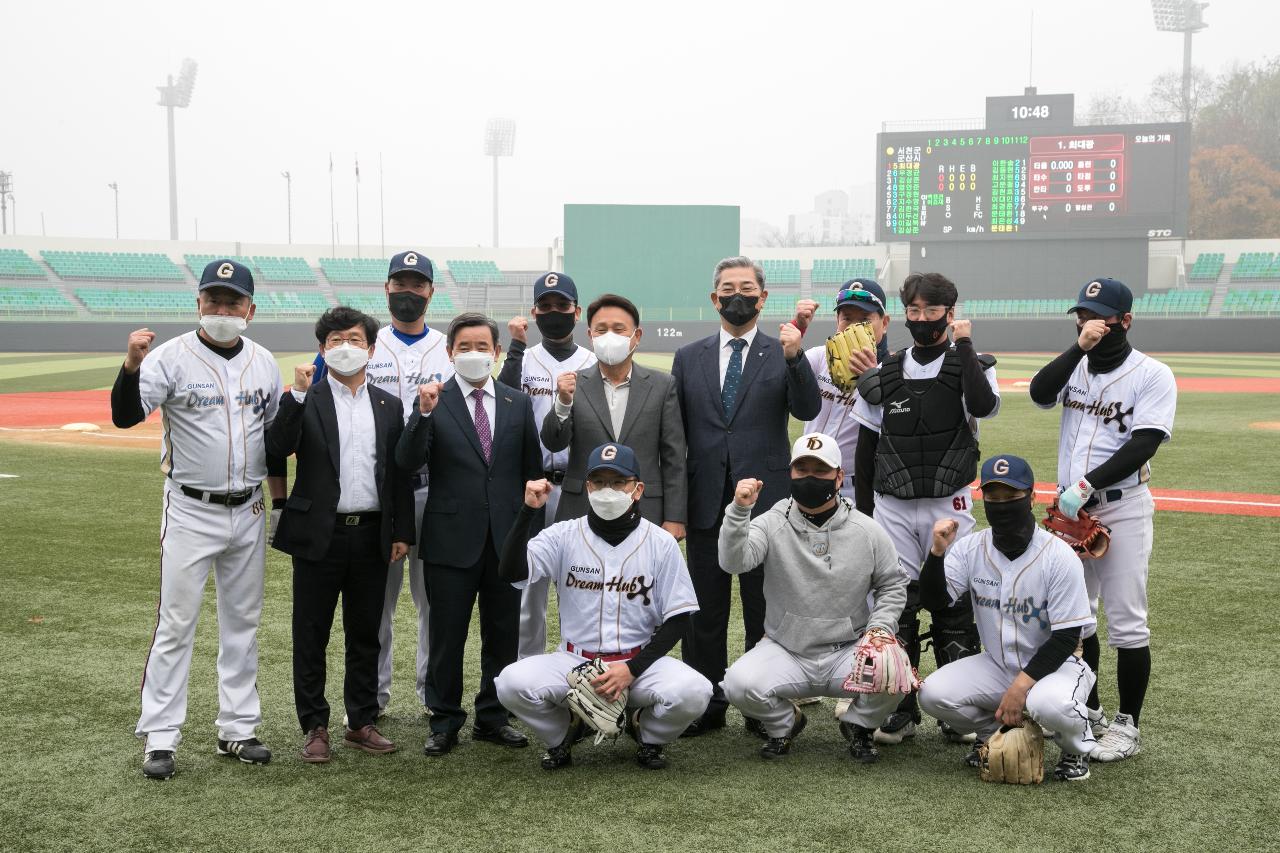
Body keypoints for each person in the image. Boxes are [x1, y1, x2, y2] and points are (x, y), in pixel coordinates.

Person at [109, 259, 285, 780]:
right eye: (214, 300)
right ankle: (161, 737)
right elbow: (124, 415)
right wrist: (131, 364)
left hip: (249, 508)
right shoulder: (168, 358)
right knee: (176, 623)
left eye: (234, 302)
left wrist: (279, 503)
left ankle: (238, 728)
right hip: (189, 508)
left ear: (250, 309)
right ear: (199, 304)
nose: (223, 310)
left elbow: (275, 440)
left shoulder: (264, 362)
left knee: (243, 623)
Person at [670, 255, 821, 737]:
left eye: (746, 288)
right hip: (706, 497)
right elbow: (677, 435)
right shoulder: (688, 357)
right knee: (703, 608)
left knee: (764, 606)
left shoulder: (783, 351)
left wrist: (796, 358)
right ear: (714, 298)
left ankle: (763, 702)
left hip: (768, 501)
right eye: (727, 288)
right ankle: (706, 702)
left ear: (762, 297)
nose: (738, 296)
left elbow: (808, 407)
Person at [1028, 277, 1176, 763]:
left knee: (1128, 621)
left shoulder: (1152, 374)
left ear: (1125, 321)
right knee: (1076, 616)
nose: (1090, 324)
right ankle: (1088, 710)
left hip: (1121, 506)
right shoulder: (1076, 364)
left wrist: (1086, 486)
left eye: (1101, 317)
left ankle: (1127, 725)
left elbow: (1145, 442)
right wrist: (1078, 348)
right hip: (1072, 514)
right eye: (1083, 315)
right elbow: (1039, 392)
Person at [494, 443, 711, 770]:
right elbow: (511, 571)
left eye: (617, 482)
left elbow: (679, 618)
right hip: (573, 661)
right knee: (510, 684)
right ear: (587, 487)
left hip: (639, 664)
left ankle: (646, 734)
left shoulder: (659, 542)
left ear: (637, 489)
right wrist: (528, 511)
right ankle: (565, 733)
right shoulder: (563, 535)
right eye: (599, 481)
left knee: (696, 690)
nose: (607, 490)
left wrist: (632, 669)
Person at [851, 271, 1000, 747]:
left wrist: (965, 347)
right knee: (899, 605)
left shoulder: (973, 363)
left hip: (948, 499)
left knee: (954, 603)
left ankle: (958, 708)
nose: (921, 320)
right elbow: (865, 447)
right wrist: (864, 510)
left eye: (931, 311)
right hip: (892, 503)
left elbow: (981, 403)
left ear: (950, 313)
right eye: (912, 311)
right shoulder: (885, 373)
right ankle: (900, 707)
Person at [268, 307, 416, 763]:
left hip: (372, 533)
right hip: (319, 534)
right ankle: (314, 725)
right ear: (321, 348)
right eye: (335, 340)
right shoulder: (304, 398)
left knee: (365, 632)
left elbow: (398, 474)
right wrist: (294, 392)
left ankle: (361, 720)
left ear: (371, 349)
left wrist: (402, 531)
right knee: (311, 633)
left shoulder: (390, 405)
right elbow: (274, 449)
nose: (345, 347)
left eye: (354, 339)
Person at [395, 313, 544, 756]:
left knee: (502, 634)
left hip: (504, 541)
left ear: (497, 353)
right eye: (465, 346)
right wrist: (421, 414)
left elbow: (531, 473)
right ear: (450, 353)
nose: (474, 354)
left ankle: (493, 717)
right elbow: (406, 461)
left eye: (483, 346)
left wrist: (526, 537)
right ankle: (444, 720)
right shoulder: (434, 401)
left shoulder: (517, 403)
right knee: (447, 635)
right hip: (449, 539)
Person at [313, 250, 452, 719]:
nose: (408, 292)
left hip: (436, 491)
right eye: (400, 284)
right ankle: (374, 699)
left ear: (431, 292)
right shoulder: (364, 345)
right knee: (378, 606)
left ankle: (432, 694)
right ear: (386, 288)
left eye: (418, 285)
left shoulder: (447, 349)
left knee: (433, 604)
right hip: (380, 497)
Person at [719, 432, 907, 762]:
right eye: (801, 469)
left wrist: (880, 629)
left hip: (848, 649)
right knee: (737, 683)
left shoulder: (867, 529)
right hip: (786, 648)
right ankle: (784, 724)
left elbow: (892, 584)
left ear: (838, 476)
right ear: (790, 473)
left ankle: (859, 726)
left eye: (820, 471)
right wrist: (738, 511)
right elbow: (733, 562)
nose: (810, 478)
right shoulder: (772, 521)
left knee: (892, 670)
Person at [918, 454, 1099, 782]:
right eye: (993, 497)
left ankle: (1076, 748)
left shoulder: (1058, 557)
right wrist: (937, 553)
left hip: (1058, 667)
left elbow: (1066, 638)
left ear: (1032, 498)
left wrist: (1020, 687)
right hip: (997, 665)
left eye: (1012, 497)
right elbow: (937, 602)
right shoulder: (971, 548)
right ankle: (994, 733)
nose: (1001, 505)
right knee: (933, 693)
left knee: (1050, 705)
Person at [496, 272, 597, 659]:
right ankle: (530, 679)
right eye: (546, 306)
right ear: (534, 312)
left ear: (577, 312)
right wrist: (516, 347)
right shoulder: (524, 359)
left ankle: (583, 673)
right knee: (529, 591)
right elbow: (502, 398)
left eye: (562, 306)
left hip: (578, 484)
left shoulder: (593, 361)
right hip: (533, 485)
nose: (554, 313)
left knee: (582, 583)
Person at [540, 293, 687, 530]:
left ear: (636, 336)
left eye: (619, 329)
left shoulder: (662, 385)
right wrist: (563, 403)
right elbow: (553, 443)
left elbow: (674, 458)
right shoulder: (573, 385)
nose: (609, 336)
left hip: (644, 507)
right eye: (601, 329)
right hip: (581, 507)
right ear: (590, 336)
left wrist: (675, 516)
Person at [793, 278, 893, 498]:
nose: (854, 327)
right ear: (837, 320)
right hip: (809, 475)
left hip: (856, 485)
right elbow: (775, 376)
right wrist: (796, 330)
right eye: (846, 318)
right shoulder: (819, 357)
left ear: (884, 323)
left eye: (865, 319)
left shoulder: (894, 370)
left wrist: (872, 378)